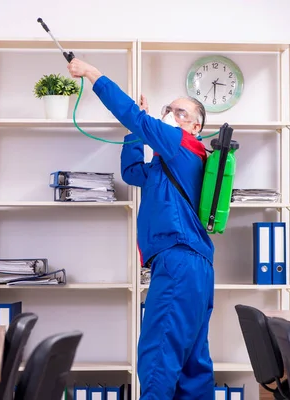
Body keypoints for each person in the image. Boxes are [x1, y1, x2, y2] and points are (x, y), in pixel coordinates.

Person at [67, 58, 216, 400]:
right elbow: (133, 172)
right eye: (168, 109)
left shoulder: (182, 145)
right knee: (192, 365)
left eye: (180, 113)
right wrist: (138, 132)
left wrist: (92, 73)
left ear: (195, 128)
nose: (170, 116)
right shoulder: (169, 162)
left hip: (179, 263)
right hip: (194, 267)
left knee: (159, 356)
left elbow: (132, 115)